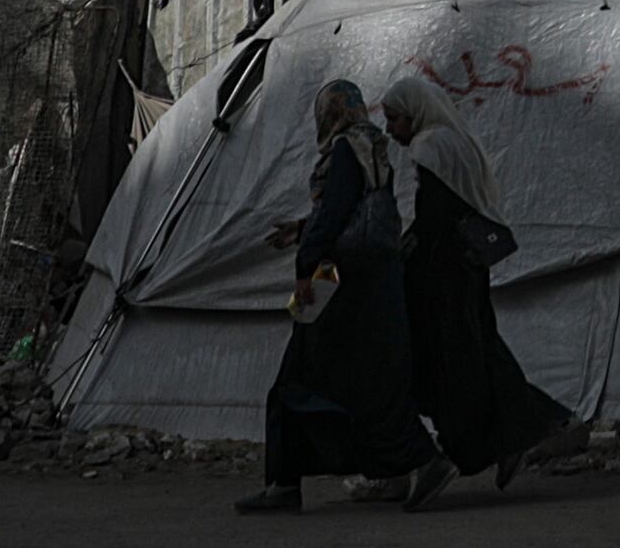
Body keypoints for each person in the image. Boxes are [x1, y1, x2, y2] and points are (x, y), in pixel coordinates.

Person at [239, 78, 442, 513]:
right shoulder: (373, 145)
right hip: (373, 278)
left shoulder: (347, 150)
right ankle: (407, 463)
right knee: (366, 380)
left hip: (335, 279)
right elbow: (355, 211)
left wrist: (304, 267)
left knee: (297, 374)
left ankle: (285, 482)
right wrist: (302, 228)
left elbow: (334, 214)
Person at [378, 75, 580, 486]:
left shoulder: (428, 146)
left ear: (413, 113)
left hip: (443, 274)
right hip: (468, 268)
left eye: (395, 119)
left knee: (454, 359)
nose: (390, 129)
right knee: (481, 349)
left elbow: (436, 216)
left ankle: (476, 444)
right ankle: (521, 431)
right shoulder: (456, 140)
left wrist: (406, 254)